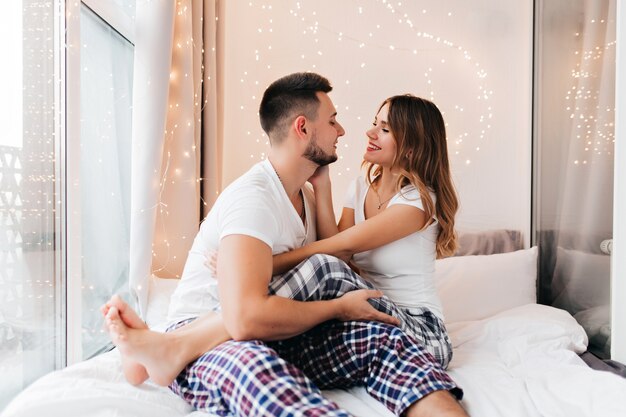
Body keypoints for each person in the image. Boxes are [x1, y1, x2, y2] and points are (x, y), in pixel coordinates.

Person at [104, 72, 467, 417]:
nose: (350, 130)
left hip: (412, 322)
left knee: (347, 296)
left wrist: (274, 262)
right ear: (302, 127)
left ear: (412, 143)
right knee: (315, 287)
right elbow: (335, 255)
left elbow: (338, 253)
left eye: (384, 128)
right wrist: (324, 193)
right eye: (333, 121)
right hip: (232, 322)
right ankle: (174, 345)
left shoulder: (417, 201)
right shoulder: (258, 198)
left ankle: (168, 349)